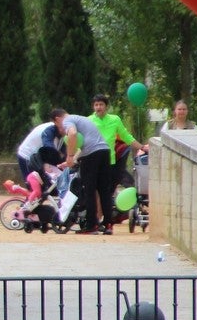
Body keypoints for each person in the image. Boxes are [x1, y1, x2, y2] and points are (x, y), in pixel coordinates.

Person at [88, 94, 148, 227]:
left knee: (106, 191)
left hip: (109, 161)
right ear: (93, 107)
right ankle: (97, 219)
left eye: (101, 105)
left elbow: (126, 137)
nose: (99, 107)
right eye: (96, 105)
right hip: (93, 159)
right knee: (95, 191)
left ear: (106, 106)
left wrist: (142, 147)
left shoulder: (115, 120)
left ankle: (105, 219)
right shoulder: (89, 121)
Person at [57, 110, 116, 234]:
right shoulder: (82, 118)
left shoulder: (68, 120)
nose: (61, 128)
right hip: (105, 151)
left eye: (58, 125)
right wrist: (73, 159)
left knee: (89, 189)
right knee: (104, 190)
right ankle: (108, 225)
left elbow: (72, 134)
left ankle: (91, 225)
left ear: (58, 119)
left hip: (92, 155)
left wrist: (69, 155)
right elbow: (86, 143)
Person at [15, 109, 65, 183]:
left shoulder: (60, 131)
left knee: (44, 184)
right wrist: (46, 163)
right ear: (57, 120)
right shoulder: (49, 132)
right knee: (33, 184)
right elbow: (48, 151)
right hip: (27, 155)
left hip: (39, 155)